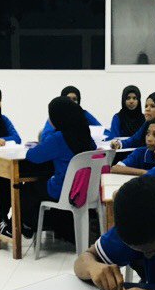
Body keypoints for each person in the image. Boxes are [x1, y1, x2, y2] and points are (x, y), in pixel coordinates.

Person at [8, 96, 97, 238]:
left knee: (26, 190)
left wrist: (46, 135)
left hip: (62, 190)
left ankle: (28, 226)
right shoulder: (86, 135)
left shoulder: (59, 138)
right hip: (85, 190)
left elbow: (33, 156)